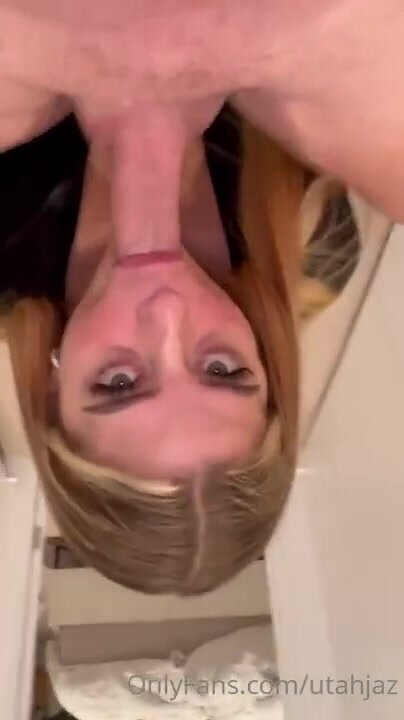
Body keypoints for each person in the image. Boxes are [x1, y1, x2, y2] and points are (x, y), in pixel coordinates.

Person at [0, 1, 367, 594]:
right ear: (267, 367)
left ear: (51, 392)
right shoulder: (314, 245)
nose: (168, 313)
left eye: (118, 382)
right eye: (222, 369)